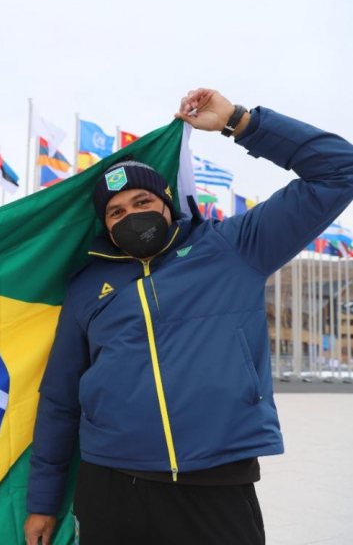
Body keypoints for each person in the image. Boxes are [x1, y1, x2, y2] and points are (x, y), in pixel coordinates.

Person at [24, 88, 353, 545]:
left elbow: (340, 170)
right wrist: (43, 502)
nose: (130, 216)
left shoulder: (233, 246)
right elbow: (60, 400)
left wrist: (240, 121)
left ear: (166, 202)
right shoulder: (86, 286)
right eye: (116, 212)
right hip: (110, 484)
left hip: (215, 482)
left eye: (141, 202)